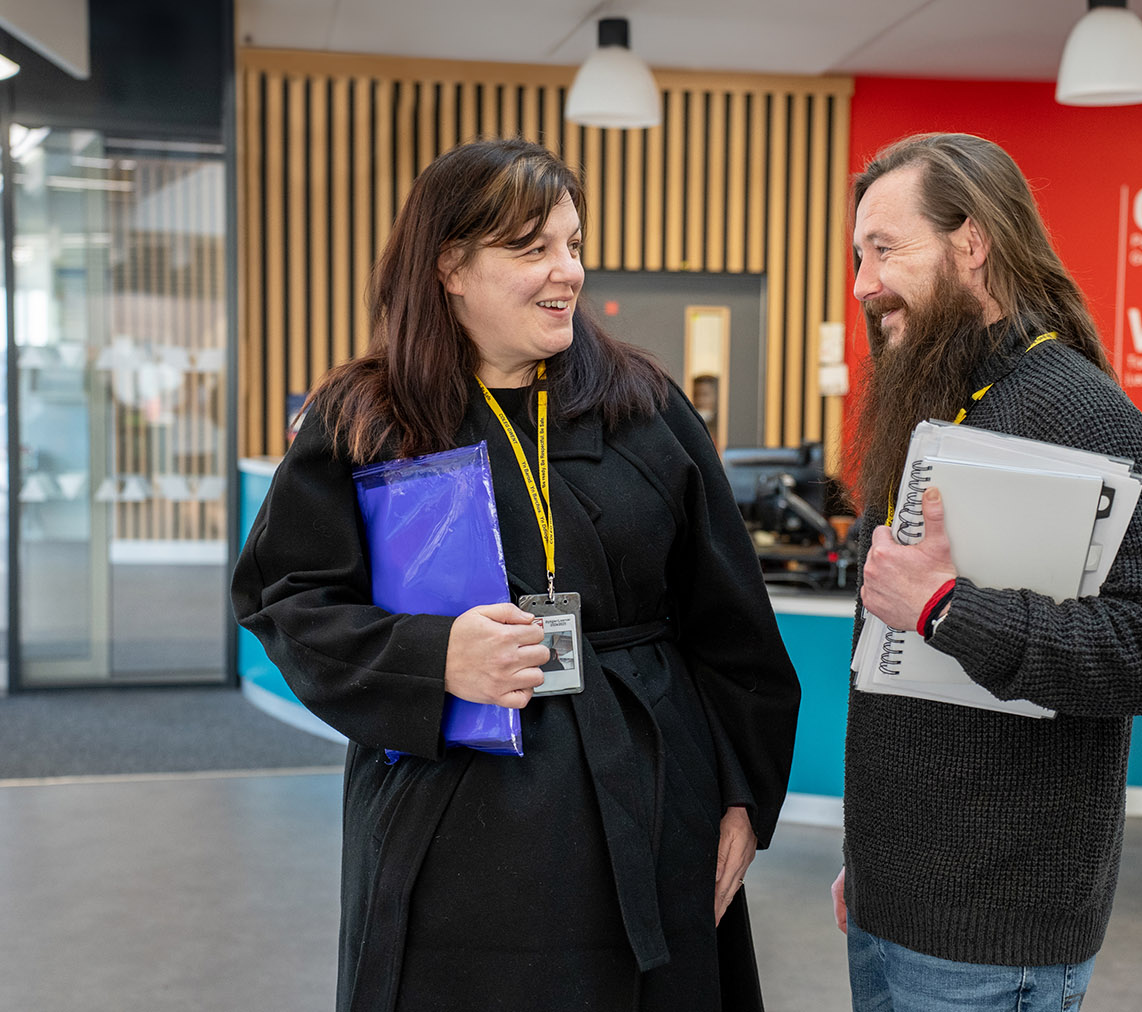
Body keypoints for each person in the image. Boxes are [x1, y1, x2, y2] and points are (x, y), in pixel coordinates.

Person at [232, 138, 801, 1012]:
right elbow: (287, 600)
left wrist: (738, 798)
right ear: (450, 266)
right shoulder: (366, 420)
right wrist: (433, 657)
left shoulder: (642, 409)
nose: (565, 271)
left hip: (647, 797)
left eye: (572, 243)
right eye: (531, 248)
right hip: (454, 814)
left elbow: (731, 625)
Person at [829, 132, 1142, 1011]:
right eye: (857, 254)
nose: (862, 284)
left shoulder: (1081, 412)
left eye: (885, 249)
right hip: (891, 905)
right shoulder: (941, 401)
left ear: (972, 243)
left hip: (996, 932)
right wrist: (868, 864)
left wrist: (947, 608)